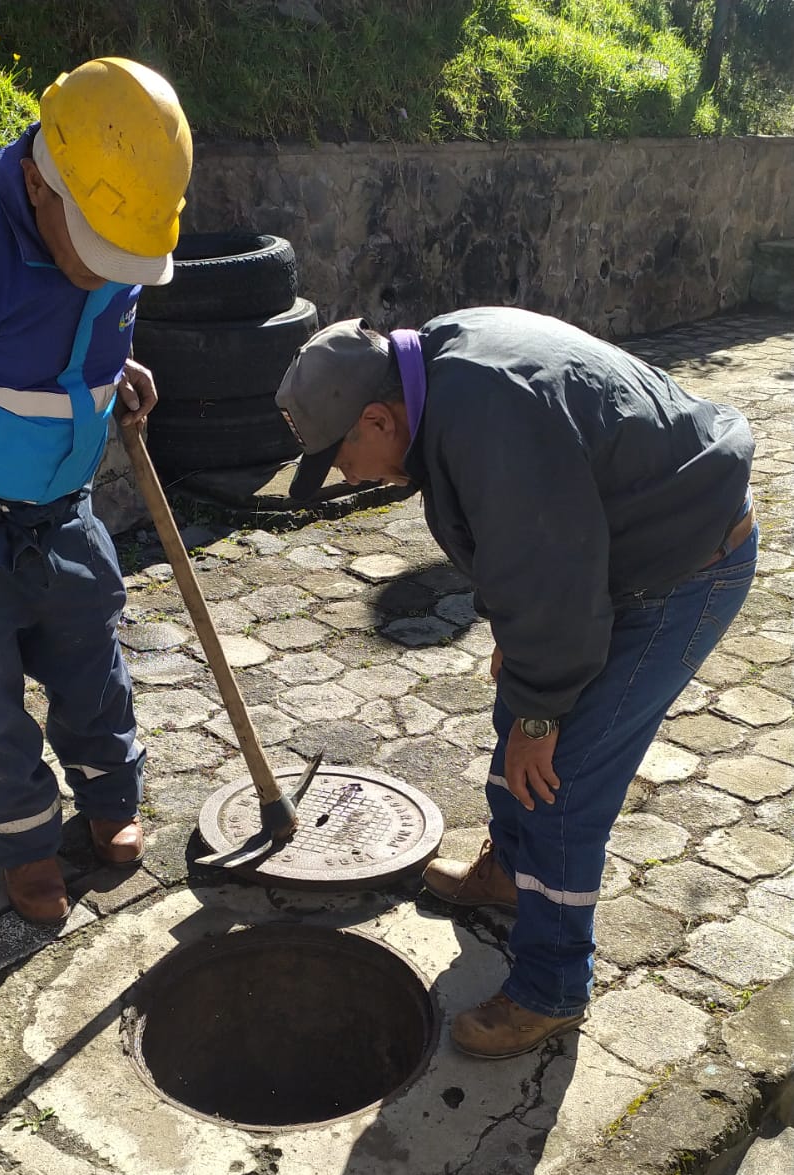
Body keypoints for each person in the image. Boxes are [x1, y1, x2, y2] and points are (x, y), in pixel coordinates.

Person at [275, 309, 756, 1059]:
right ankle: (508, 872)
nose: (348, 477)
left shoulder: (488, 413)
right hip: (606, 557)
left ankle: (551, 988)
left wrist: (541, 716)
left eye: (343, 456)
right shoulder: (438, 378)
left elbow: (554, 575)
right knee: (521, 707)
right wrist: (522, 664)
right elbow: (516, 544)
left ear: (376, 416)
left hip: (682, 567)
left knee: (559, 777)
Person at [0, 57, 193, 923]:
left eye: (126, 257)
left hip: (63, 502)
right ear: (35, 184)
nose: (108, 272)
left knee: (91, 659)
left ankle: (110, 802)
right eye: (95, 253)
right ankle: (25, 847)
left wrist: (112, 372)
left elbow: (75, 318)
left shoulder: (125, 189)